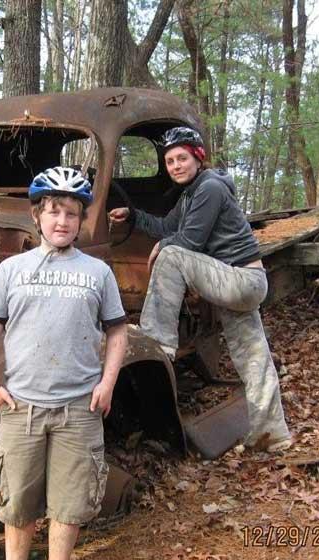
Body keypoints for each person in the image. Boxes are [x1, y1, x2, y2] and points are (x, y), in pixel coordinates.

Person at [0, 167, 128, 560]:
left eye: (71, 213)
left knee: (71, 498)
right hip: (21, 406)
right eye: (53, 211)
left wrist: (108, 383)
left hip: (78, 408)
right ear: (37, 215)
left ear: (82, 221)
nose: (61, 221)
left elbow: (117, 331)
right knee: (17, 498)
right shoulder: (12, 270)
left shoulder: (97, 273)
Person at [108, 126, 291, 452]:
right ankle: (273, 434)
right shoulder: (191, 193)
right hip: (242, 281)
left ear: (198, 158)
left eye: (182, 158)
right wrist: (134, 216)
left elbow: (188, 241)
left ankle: (157, 341)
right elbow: (167, 226)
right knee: (253, 357)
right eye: (169, 161)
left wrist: (162, 246)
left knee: (172, 255)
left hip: (239, 279)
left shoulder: (209, 188)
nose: (175, 165)